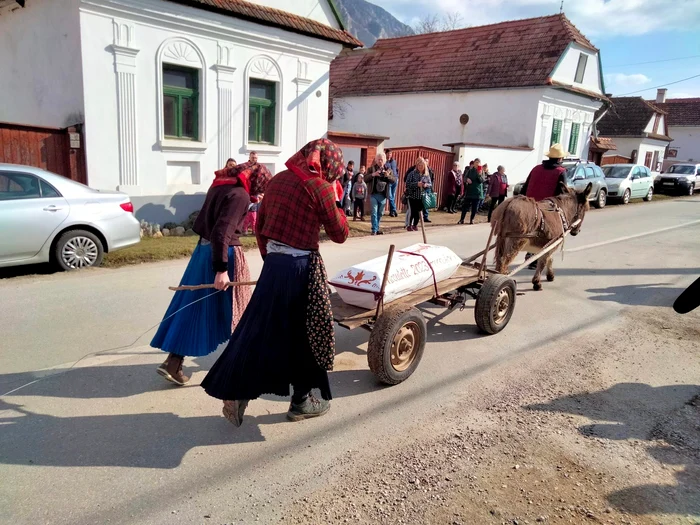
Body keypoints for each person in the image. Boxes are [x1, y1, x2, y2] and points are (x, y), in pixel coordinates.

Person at [202, 138, 349, 426]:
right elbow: (340, 233)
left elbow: (262, 227)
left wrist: (271, 261)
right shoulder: (319, 186)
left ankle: (237, 391)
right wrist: (334, 199)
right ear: (329, 165)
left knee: (259, 330)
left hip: (275, 266)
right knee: (307, 335)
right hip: (302, 269)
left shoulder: (279, 179)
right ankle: (301, 401)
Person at [151, 162, 272, 385]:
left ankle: (173, 362)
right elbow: (221, 232)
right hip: (224, 257)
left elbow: (209, 225)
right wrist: (221, 270)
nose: (260, 192)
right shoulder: (240, 195)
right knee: (240, 312)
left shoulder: (219, 187)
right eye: (261, 186)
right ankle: (242, 366)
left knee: (196, 307)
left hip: (204, 252)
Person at [520, 144, 569, 268]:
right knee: (545, 234)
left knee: (531, 230)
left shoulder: (536, 168)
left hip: (529, 204)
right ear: (559, 159)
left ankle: (529, 256)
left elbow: (525, 186)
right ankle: (537, 258)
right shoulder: (561, 172)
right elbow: (562, 193)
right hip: (547, 207)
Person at [365, 152, 396, 235]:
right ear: (376, 160)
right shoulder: (371, 169)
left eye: (381, 160)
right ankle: (374, 229)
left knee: (380, 213)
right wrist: (373, 174)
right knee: (374, 212)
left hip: (383, 195)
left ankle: (377, 227)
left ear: (384, 160)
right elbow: (365, 178)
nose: (380, 161)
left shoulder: (388, 170)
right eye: (378, 159)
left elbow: (394, 180)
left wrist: (387, 176)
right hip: (374, 194)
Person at [405, 157, 432, 231]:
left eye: (422, 166)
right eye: (419, 165)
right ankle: (409, 225)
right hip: (412, 196)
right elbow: (407, 184)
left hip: (421, 196)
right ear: (417, 166)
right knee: (412, 211)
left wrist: (426, 185)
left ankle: (415, 225)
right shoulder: (412, 173)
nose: (420, 167)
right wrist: (417, 184)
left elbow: (430, 184)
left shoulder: (426, 174)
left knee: (418, 212)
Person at [459, 158, 483, 225]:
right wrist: (467, 179)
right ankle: (462, 219)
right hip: (469, 191)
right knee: (465, 206)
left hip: (477, 192)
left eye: (478, 162)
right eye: (476, 162)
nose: (477, 163)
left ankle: (472, 219)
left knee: (474, 207)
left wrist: (479, 174)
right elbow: (464, 178)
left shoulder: (481, 171)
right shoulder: (470, 170)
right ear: (474, 163)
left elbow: (481, 180)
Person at [385, 149, 399, 217]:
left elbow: (397, 169)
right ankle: (394, 209)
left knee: (393, 196)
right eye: (388, 153)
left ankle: (392, 212)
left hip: (395, 180)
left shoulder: (394, 161)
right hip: (389, 181)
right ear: (386, 154)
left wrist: (397, 176)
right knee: (390, 196)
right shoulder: (385, 162)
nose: (389, 155)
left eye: (390, 153)